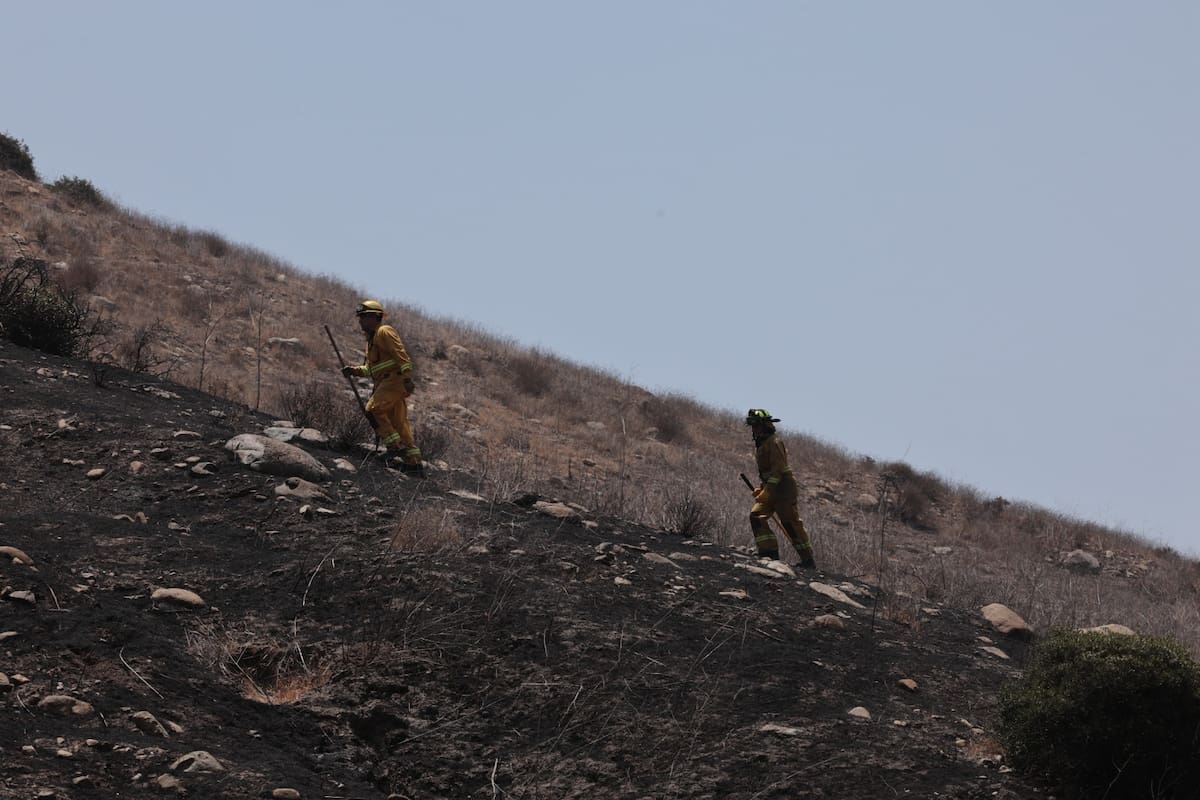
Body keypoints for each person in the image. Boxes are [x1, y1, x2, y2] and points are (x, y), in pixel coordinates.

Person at [342, 300, 424, 477]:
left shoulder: (384, 332)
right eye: (360, 317)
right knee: (399, 424)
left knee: (373, 409)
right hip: (386, 383)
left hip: (394, 381)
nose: (360, 321)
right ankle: (414, 465)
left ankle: (393, 447)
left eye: (363, 317)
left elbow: (401, 355)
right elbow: (373, 370)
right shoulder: (371, 341)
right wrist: (354, 371)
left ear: (374, 317)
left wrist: (407, 378)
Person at [745, 408, 815, 568]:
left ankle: (808, 560)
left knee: (790, 523)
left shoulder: (774, 442)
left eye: (756, 425)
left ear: (765, 425)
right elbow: (768, 473)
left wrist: (767, 491)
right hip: (770, 488)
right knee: (756, 516)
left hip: (783, 489)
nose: (754, 429)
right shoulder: (761, 445)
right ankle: (768, 554)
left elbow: (778, 470)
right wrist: (761, 489)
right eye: (752, 426)